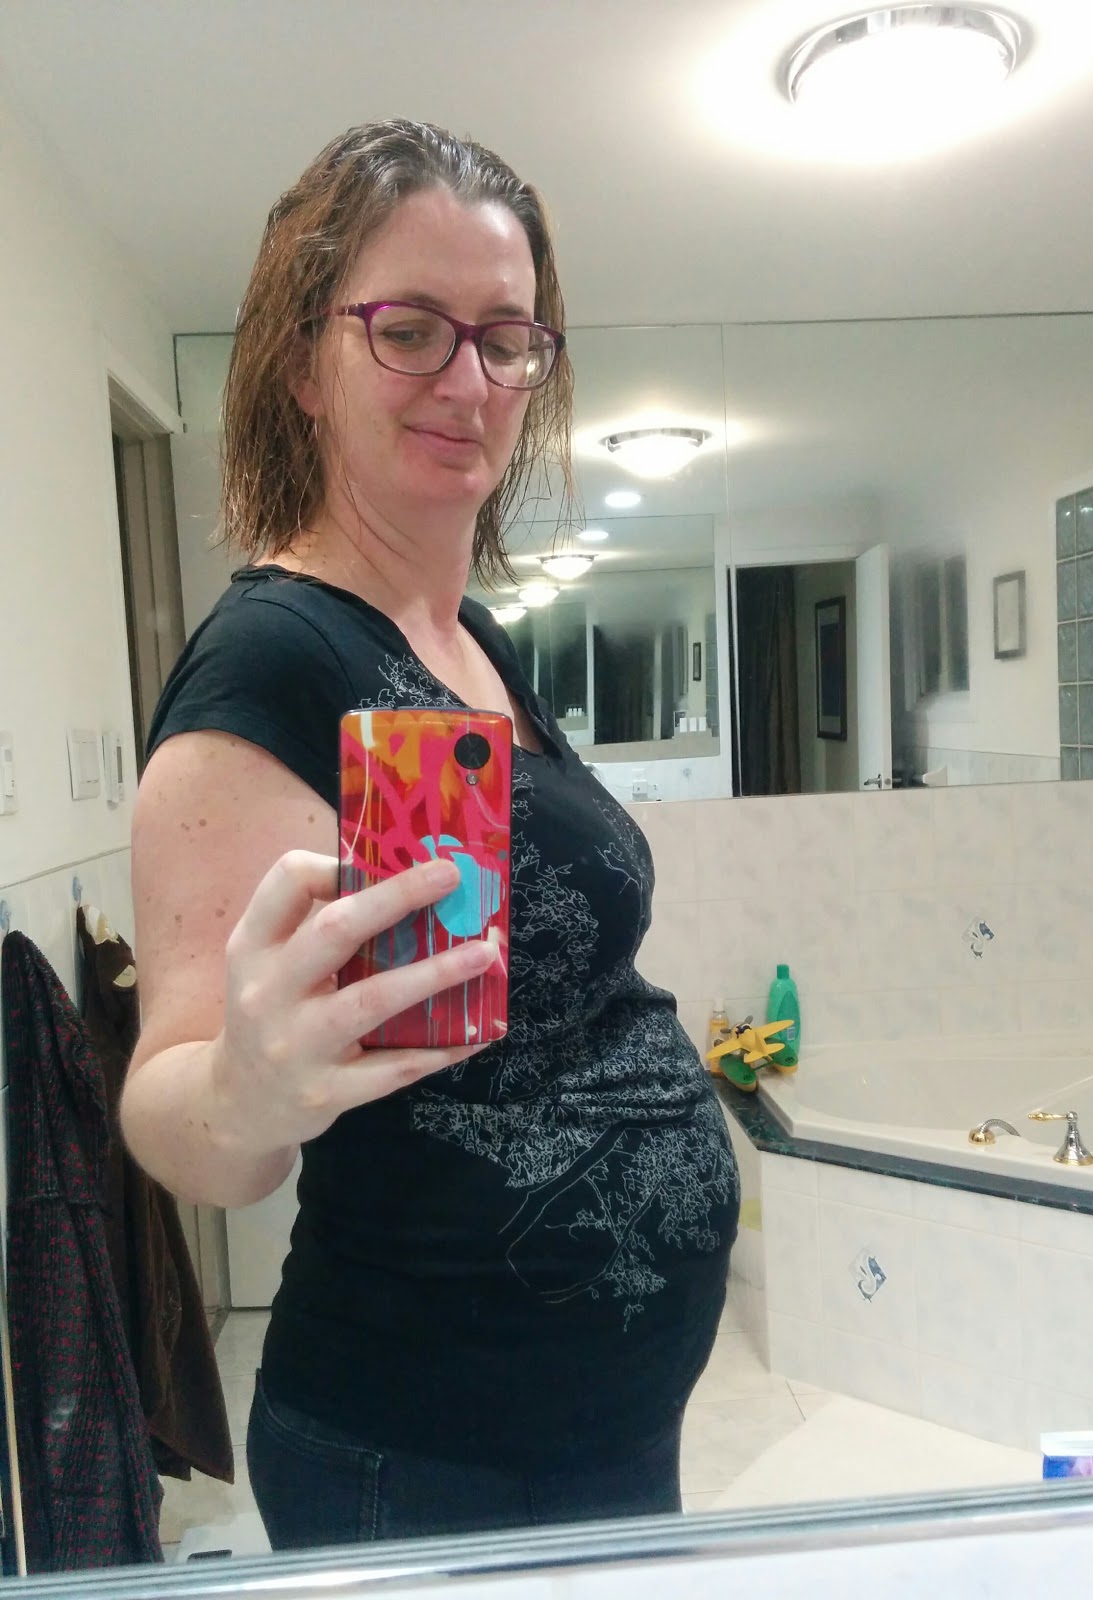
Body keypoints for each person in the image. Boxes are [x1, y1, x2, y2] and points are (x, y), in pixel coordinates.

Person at [123, 119, 739, 1550]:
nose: (469, 382)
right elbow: (172, 1102)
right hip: (426, 1452)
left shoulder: (468, 639)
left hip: (593, 1433)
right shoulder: (273, 659)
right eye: (410, 331)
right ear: (304, 364)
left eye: (507, 339)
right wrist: (251, 1089)